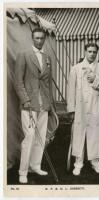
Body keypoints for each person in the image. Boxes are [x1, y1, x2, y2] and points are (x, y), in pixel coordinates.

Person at [67, 43, 99, 176]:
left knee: (96, 133)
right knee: (79, 133)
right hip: (80, 107)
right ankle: (78, 164)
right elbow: (70, 90)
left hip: (96, 105)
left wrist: (96, 79)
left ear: (97, 53)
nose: (92, 54)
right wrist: (71, 109)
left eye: (94, 52)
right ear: (85, 52)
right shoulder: (76, 68)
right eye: (89, 51)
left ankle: (95, 163)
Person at [14, 28, 54, 183]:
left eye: (42, 38)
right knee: (30, 136)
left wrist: (50, 104)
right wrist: (26, 100)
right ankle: (22, 172)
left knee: (41, 137)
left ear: (44, 39)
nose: (39, 41)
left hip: (44, 103)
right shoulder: (23, 55)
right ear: (32, 38)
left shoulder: (47, 57)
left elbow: (48, 83)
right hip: (29, 104)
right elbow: (18, 82)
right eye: (37, 38)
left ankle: (35, 166)